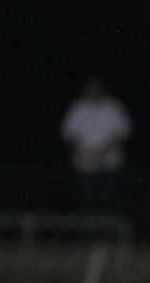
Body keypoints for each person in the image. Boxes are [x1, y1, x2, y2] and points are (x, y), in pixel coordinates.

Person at [60, 75, 132, 212]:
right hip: (84, 164)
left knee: (109, 201)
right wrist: (85, 151)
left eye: (97, 88)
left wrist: (101, 152)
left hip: (109, 164)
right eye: (91, 88)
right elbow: (68, 133)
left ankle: (109, 224)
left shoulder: (114, 107)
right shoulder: (78, 107)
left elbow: (123, 133)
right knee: (86, 202)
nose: (94, 91)